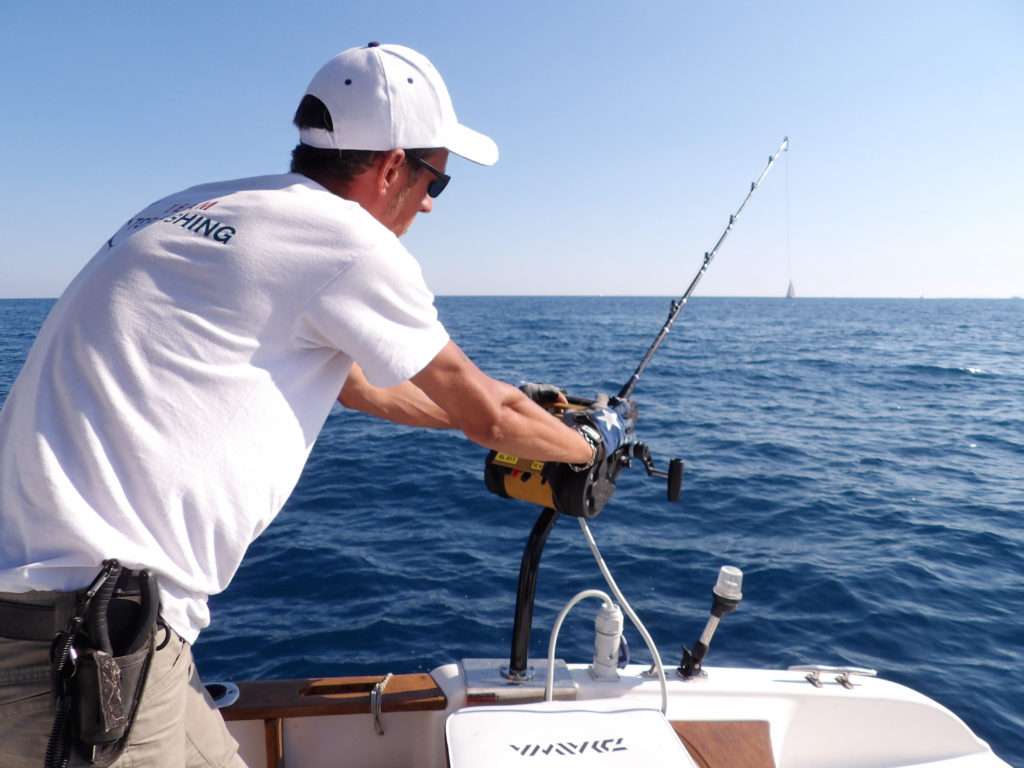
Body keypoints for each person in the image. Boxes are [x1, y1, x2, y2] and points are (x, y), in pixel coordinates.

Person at [0, 43, 628, 767]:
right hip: (76, 646)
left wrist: (517, 405)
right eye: (436, 182)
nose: (428, 203)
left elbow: (363, 386)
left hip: (101, 625)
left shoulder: (193, 206)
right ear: (393, 166)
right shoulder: (349, 241)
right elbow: (485, 416)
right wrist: (591, 443)